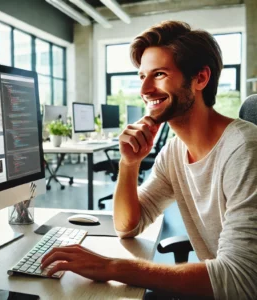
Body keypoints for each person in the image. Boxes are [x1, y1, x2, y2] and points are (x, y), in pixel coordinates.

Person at [40, 21, 257, 299]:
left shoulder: (244, 149)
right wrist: (129, 164)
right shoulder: (174, 152)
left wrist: (111, 267)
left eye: (159, 74)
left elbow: (241, 279)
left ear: (200, 78)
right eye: (141, 75)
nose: (144, 88)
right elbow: (128, 225)